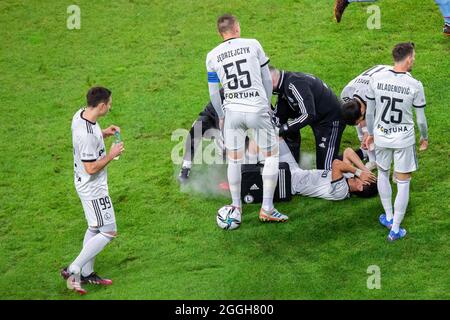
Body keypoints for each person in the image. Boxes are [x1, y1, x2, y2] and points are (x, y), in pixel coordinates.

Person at [206, 14, 288, 222]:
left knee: (234, 160)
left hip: (232, 111)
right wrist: (267, 105)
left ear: (220, 33)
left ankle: (236, 207)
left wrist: (222, 116)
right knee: (271, 155)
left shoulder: (212, 56)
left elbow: (214, 94)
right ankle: (267, 209)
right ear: (237, 28)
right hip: (256, 109)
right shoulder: (252, 44)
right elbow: (267, 79)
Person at [61, 87, 124, 294]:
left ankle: (87, 274)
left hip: (84, 182)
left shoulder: (81, 115)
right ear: (102, 105)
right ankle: (74, 269)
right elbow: (91, 167)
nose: (111, 106)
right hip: (93, 188)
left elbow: (90, 138)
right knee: (109, 231)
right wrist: (112, 154)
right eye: (110, 103)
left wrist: (104, 134)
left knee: (95, 227)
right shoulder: (86, 135)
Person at [364, 42, 429, 241]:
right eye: (414, 56)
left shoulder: (375, 79)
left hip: (382, 136)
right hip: (403, 140)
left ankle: (389, 217)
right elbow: (420, 119)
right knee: (403, 182)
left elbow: (369, 112)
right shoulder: (414, 85)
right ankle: (396, 229)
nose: (414, 60)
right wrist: (424, 137)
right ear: (408, 58)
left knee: (383, 173)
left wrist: (371, 133)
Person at [271, 66, 346, 171]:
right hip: (317, 118)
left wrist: (283, 128)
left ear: (272, 80)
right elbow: (280, 113)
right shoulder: (283, 85)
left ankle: (353, 168)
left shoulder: (294, 84)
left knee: (326, 168)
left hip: (330, 120)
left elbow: (308, 114)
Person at [279, 139, 377, 201]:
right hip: (295, 170)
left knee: (266, 159)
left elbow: (336, 164)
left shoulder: (341, 191)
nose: (364, 176)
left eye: (366, 178)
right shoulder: (350, 176)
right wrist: (364, 170)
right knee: (276, 137)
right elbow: (348, 151)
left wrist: (359, 172)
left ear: (360, 187)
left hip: (289, 181)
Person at [340, 64, 392, 170]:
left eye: (359, 119)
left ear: (362, 110)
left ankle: (398, 167)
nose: (359, 123)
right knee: (362, 128)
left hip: (391, 80)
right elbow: (362, 118)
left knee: (387, 128)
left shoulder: (376, 95)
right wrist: (365, 132)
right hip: (369, 83)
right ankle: (372, 160)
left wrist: (368, 132)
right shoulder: (346, 94)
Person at [178, 90, 225, 183]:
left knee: (234, 143)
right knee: (195, 131)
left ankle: (227, 163)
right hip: (211, 117)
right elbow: (219, 117)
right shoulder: (223, 94)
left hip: (226, 122)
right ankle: (186, 167)